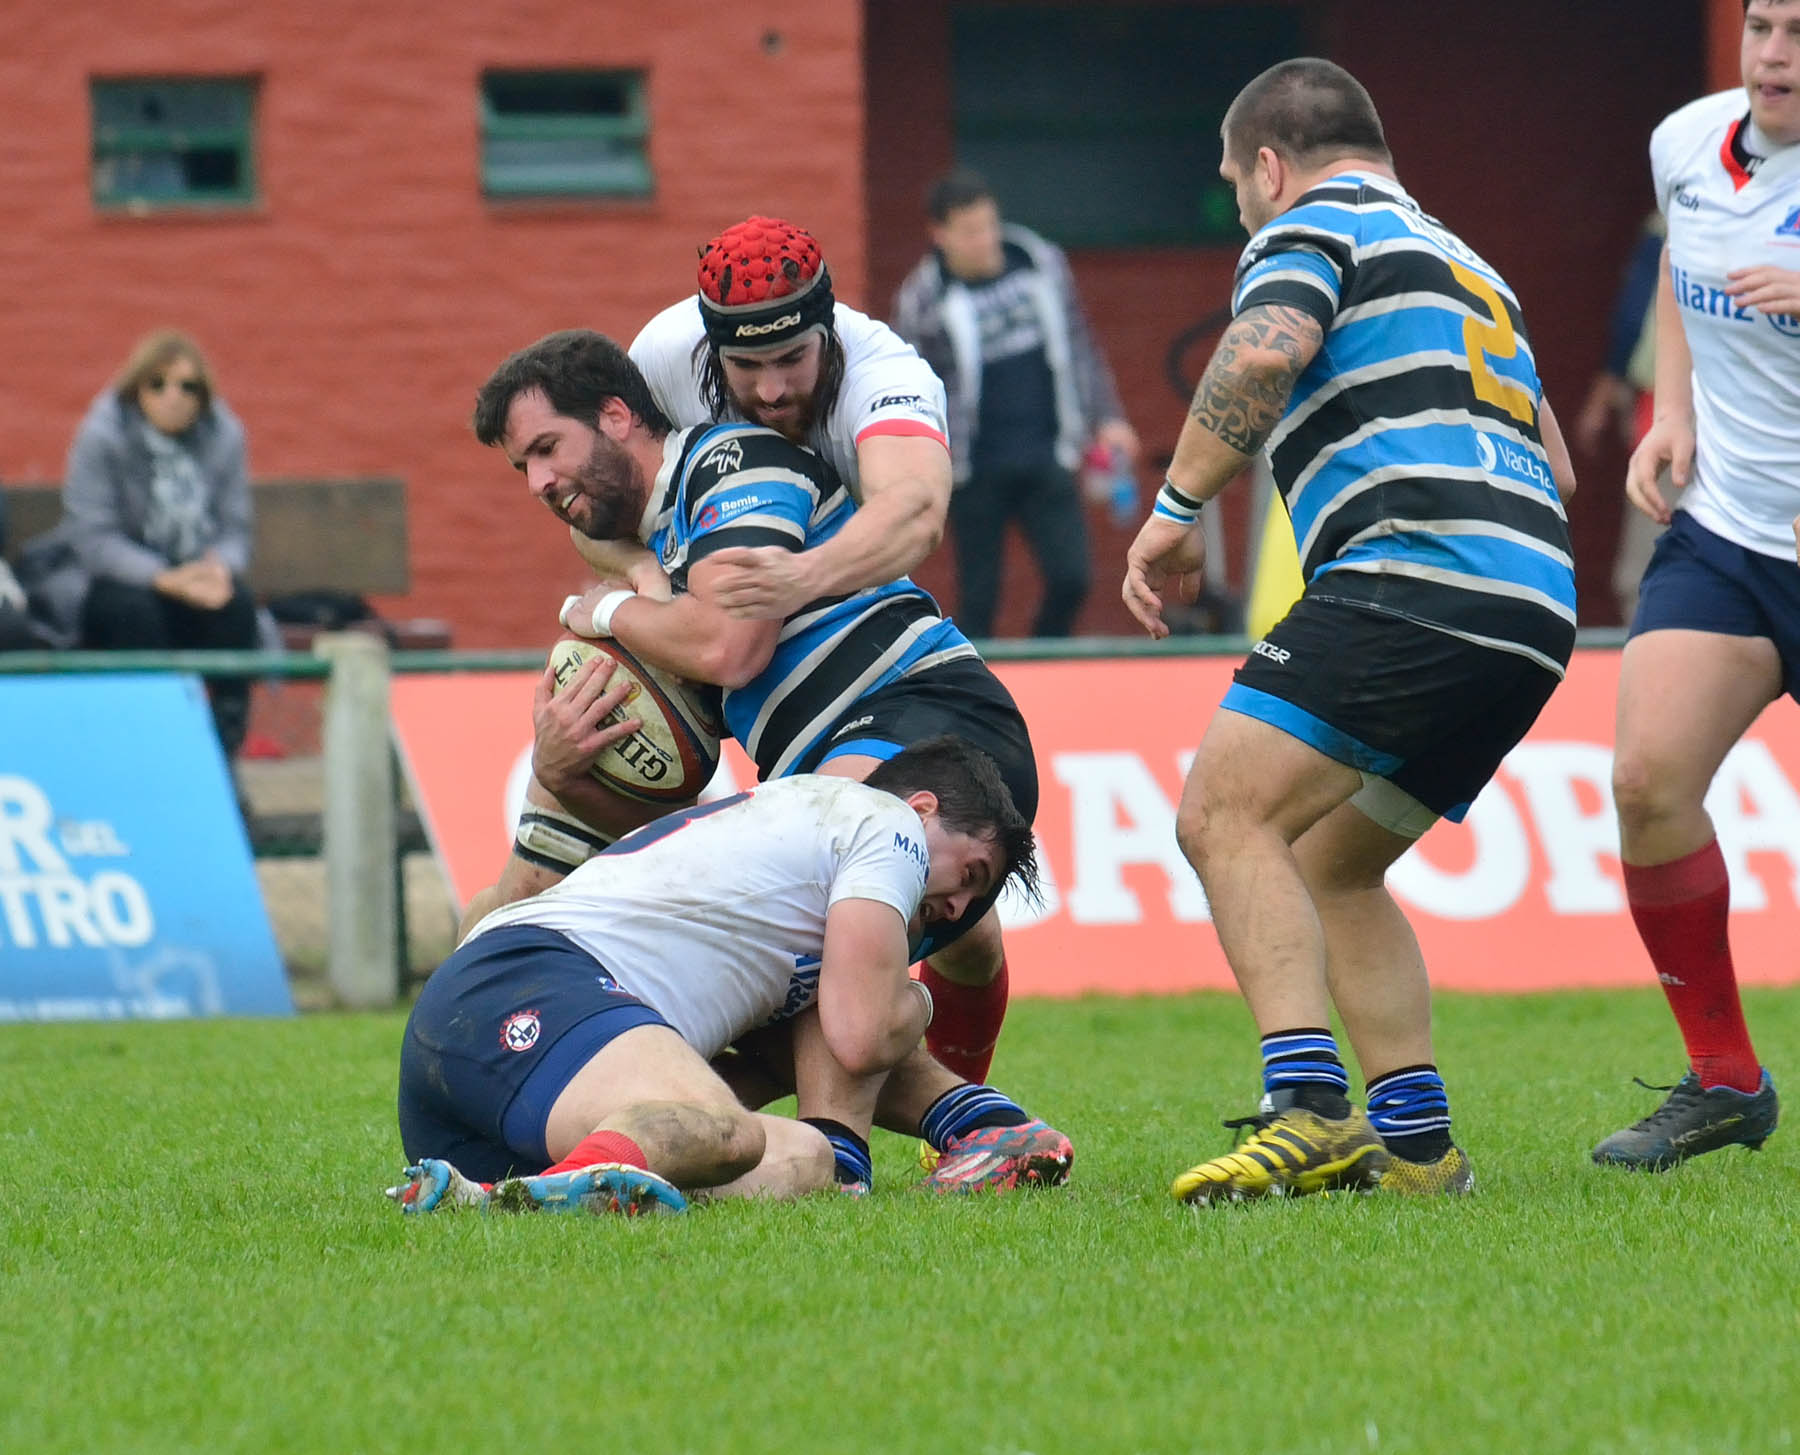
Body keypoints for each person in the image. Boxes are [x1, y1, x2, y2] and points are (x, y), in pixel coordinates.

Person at [1121, 58, 1577, 1203]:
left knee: (1223, 813)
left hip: (1415, 575)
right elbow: (1560, 466)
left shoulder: (1311, 223)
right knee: (1333, 863)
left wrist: (1174, 515)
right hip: (1535, 605)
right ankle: (1419, 1149)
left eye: (1236, 181)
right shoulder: (1471, 264)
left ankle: (1309, 1107)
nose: (1241, 202)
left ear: (1270, 164)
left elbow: (1265, 350)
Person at [498, 291, 1024, 1092]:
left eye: (546, 449)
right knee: (901, 940)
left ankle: (932, 1132)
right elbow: (668, 833)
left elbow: (730, 647)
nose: (537, 480)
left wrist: (604, 609)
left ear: (614, 415)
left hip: (923, 705)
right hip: (838, 754)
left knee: (810, 921)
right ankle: (646, 1118)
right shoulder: (664, 544)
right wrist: (569, 769)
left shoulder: (737, 460)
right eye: (522, 466)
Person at [388, 738, 1071, 1214]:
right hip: (526, 981)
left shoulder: (797, 876)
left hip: (497, 1105)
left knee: (806, 1159)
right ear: (921, 808)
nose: (956, 907)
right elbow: (861, 1034)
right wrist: (916, 998)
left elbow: (782, 1052)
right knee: (728, 1129)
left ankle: (522, 1196)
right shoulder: (883, 823)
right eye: (970, 875)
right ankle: (558, 1192)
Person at [1589, 0, 1798, 1171]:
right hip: (1730, 537)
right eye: (1761, 24)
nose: (1771, 53)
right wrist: (1676, 410)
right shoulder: (1689, 142)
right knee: (1645, 780)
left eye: (1799, 32)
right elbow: (1685, 261)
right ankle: (1724, 1079)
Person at [892, 170, 1139, 640]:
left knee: (1073, 578)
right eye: (970, 231)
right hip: (973, 467)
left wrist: (1107, 417)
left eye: (989, 225)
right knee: (979, 597)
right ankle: (980, 691)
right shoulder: (922, 299)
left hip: (1047, 451)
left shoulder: (1038, 263)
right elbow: (910, 387)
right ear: (940, 235)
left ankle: (1046, 662)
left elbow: (1079, 343)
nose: (986, 240)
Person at [62, 330, 259, 758]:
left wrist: (218, 569)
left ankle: (223, 754)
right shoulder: (102, 437)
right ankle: (150, 747)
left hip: (196, 577)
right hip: (122, 579)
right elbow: (93, 540)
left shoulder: (224, 437)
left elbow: (235, 529)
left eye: (189, 387)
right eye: (158, 384)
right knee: (134, 614)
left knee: (236, 609)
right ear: (137, 390)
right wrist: (163, 577)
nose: (174, 397)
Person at [1573, 211, 1681, 624]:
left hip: (1693, 412)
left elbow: (1634, 311)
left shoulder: (1679, 218)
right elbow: (1635, 311)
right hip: (1665, 408)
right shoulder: (1669, 218)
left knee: (1648, 562)